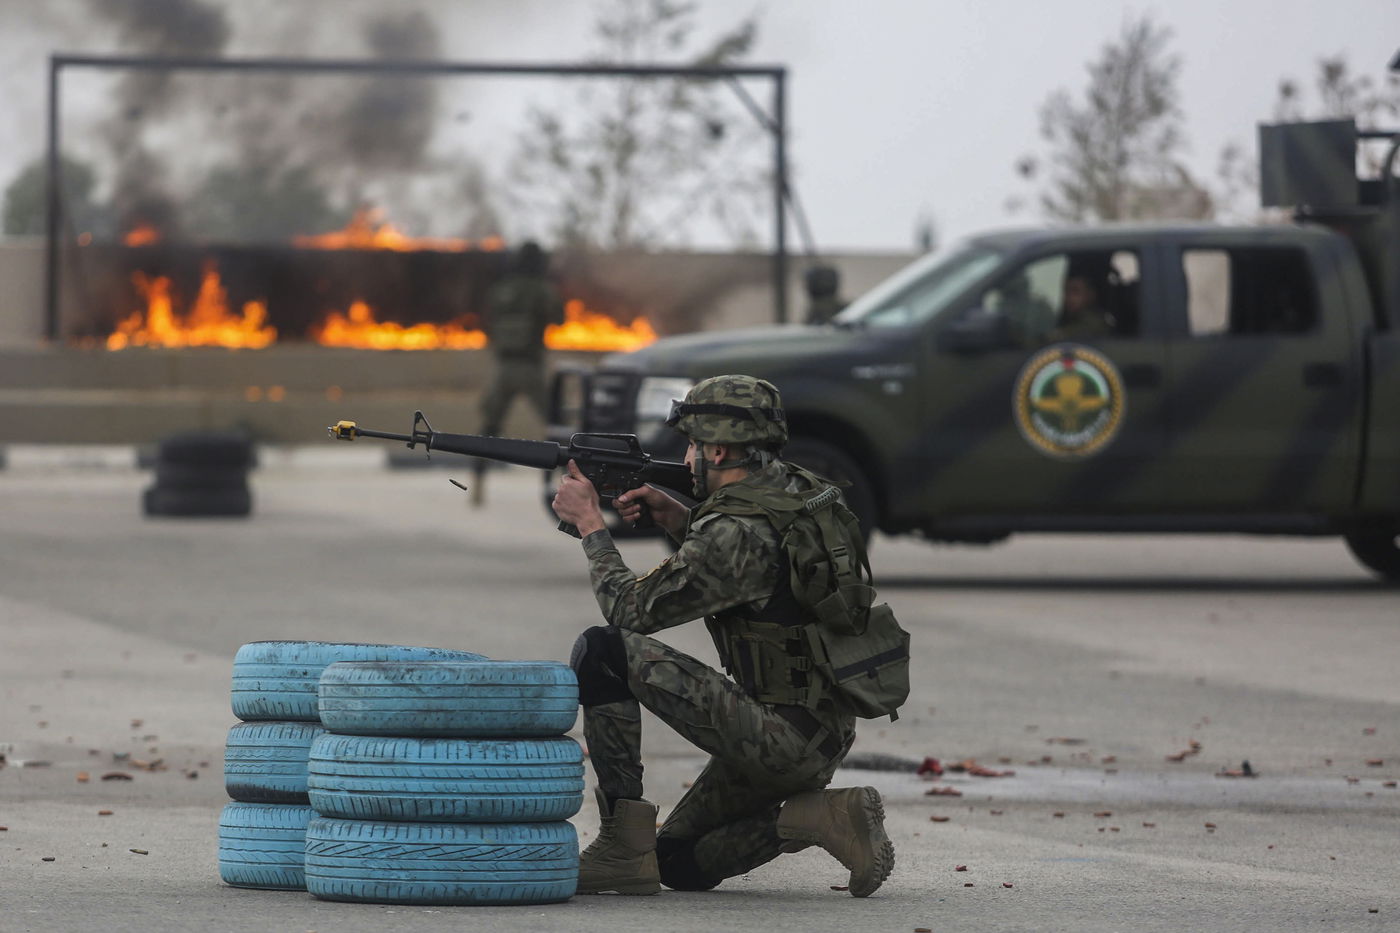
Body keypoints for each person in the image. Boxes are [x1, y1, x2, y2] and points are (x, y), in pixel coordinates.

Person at [551, 374, 899, 899]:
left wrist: (590, 529)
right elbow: (764, 575)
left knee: (604, 652)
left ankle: (622, 847)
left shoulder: (733, 531)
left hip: (777, 737)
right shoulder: (798, 491)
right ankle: (816, 816)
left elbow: (630, 610)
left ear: (717, 448)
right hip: (820, 728)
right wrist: (681, 518)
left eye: (692, 443)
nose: (686, 454)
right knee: (678, 863)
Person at [474, 240, 565, 505]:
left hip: (502, 367)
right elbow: (559, 318)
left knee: (489, 426)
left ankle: (478, 479)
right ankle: (573, 478)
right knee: (555, 422)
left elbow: (487, 325)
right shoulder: (541, 289)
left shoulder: (500, 290)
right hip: (530, 367)